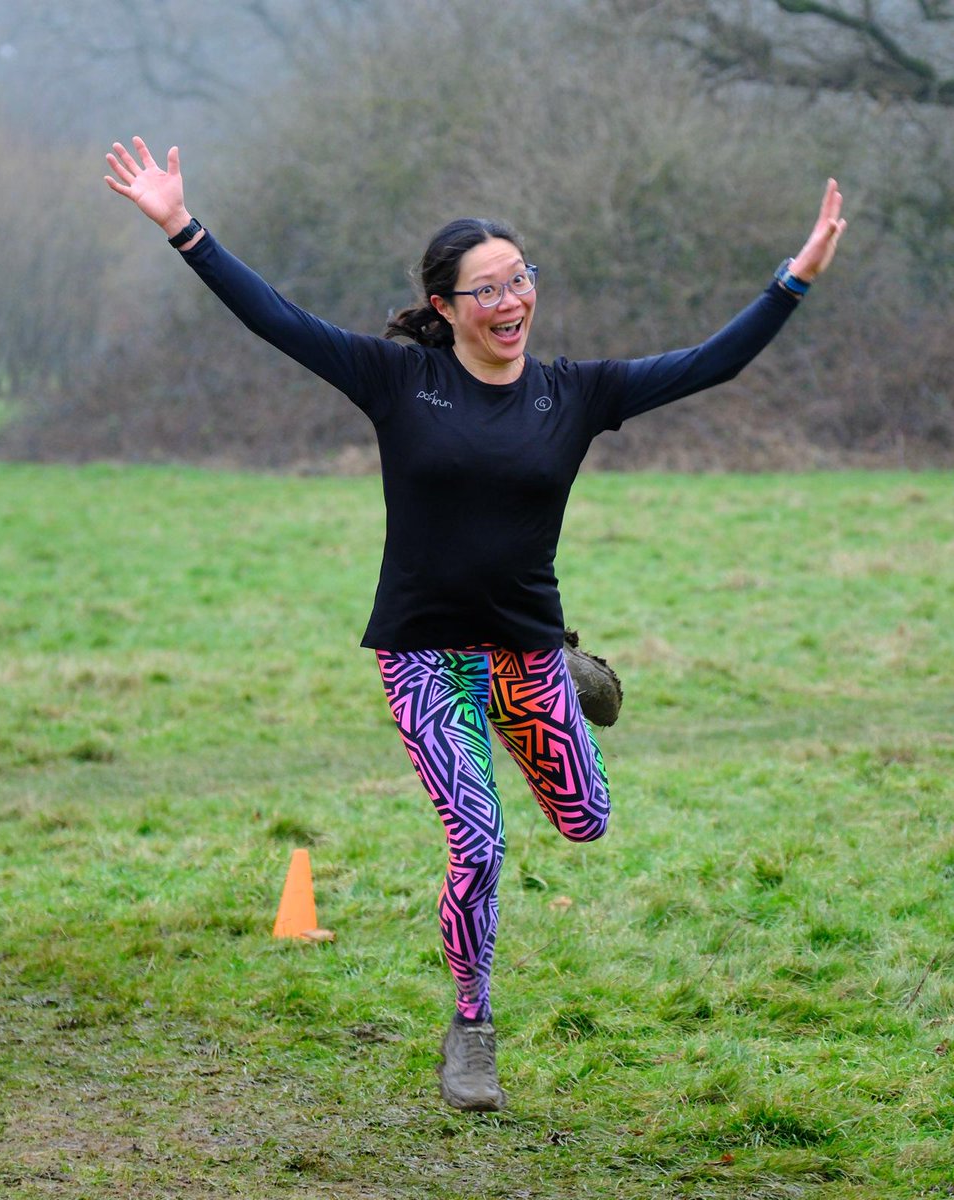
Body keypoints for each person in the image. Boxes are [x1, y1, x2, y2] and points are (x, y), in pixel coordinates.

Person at [105, 136, 846, 1112]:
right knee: (479, 842)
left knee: (585, 821)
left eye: (519, 280)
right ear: (445, 306)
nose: (509, 301)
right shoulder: (395, 380)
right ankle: (471, 1028)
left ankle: (566, 678)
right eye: (486, 289)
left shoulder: (574, 393)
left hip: (523, 651)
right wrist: (181, 227)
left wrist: (794, 277)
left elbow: (712, 362)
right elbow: (275, 318)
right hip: (422, 655)